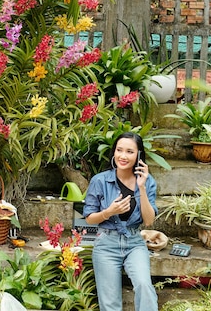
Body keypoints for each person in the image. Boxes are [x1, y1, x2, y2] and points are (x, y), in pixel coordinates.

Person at [83, 131, 158, 311]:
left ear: (139, 155)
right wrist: (109, 212)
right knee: (110, 303)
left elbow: (148, 221)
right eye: (119, 150)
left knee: (144, 286)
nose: (123, 156)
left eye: (130, 152)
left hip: (134, 243)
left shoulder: (147, 182)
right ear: (114, 152)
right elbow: (89, 218)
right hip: (106, 244)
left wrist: (141, 188)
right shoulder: (99, 181)